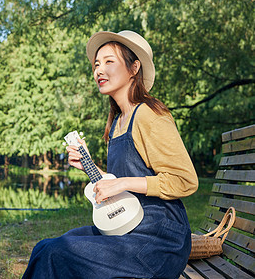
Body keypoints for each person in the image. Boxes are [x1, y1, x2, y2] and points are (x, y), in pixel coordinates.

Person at [22, 30, 198, 279]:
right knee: (43, 248)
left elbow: (185, 180)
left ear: (134, 67)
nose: (99, 71)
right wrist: (90, 167)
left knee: (55, 253)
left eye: (109, 62)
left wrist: (121, 183)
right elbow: (124, 182)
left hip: (159, 240)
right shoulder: (117, 122)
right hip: (126, 227)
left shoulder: (149, 114)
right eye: (96, 64)